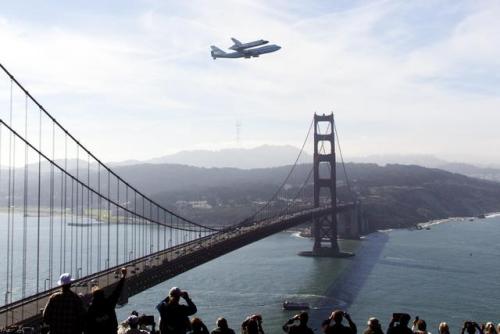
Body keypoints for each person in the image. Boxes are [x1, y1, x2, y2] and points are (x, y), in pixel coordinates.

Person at [85, 267, 127, 334]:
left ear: (93, 296)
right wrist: (123, 276)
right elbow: (117, 291)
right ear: (103, 295)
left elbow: (87, 327)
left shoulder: (90, 309)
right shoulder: (109, 303)